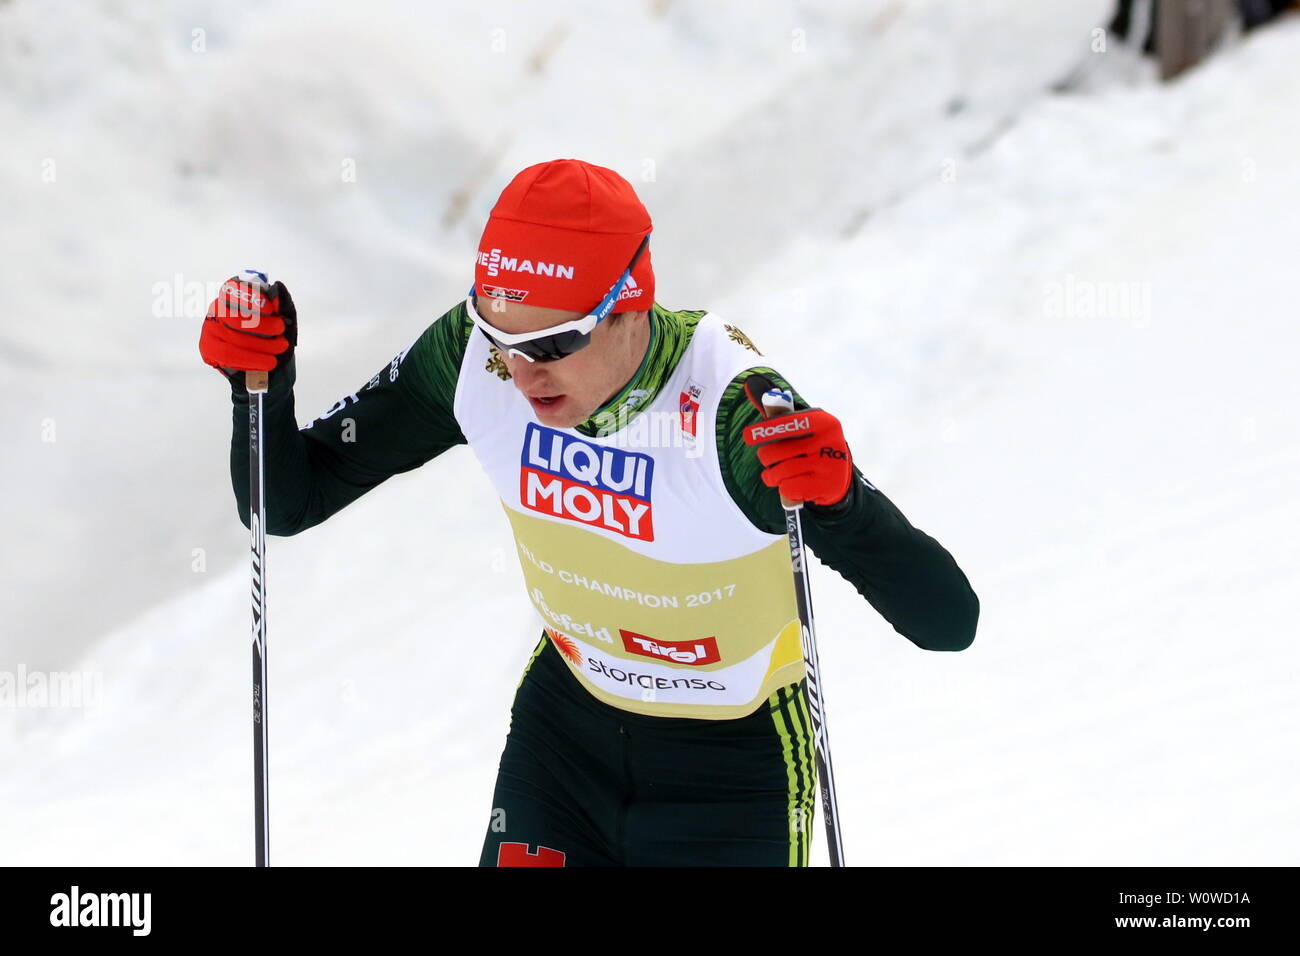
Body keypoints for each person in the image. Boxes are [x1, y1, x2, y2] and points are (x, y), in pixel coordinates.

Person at [199, 158, 979, 866]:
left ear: (628, 307)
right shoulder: (475, 360)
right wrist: (257, 386)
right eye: (499, 337)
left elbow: (949, 621)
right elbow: (288, 501)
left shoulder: (729, 412)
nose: (522, 373)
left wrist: (843, 506)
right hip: (565, 744)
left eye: (553, 344)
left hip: (734, 771)